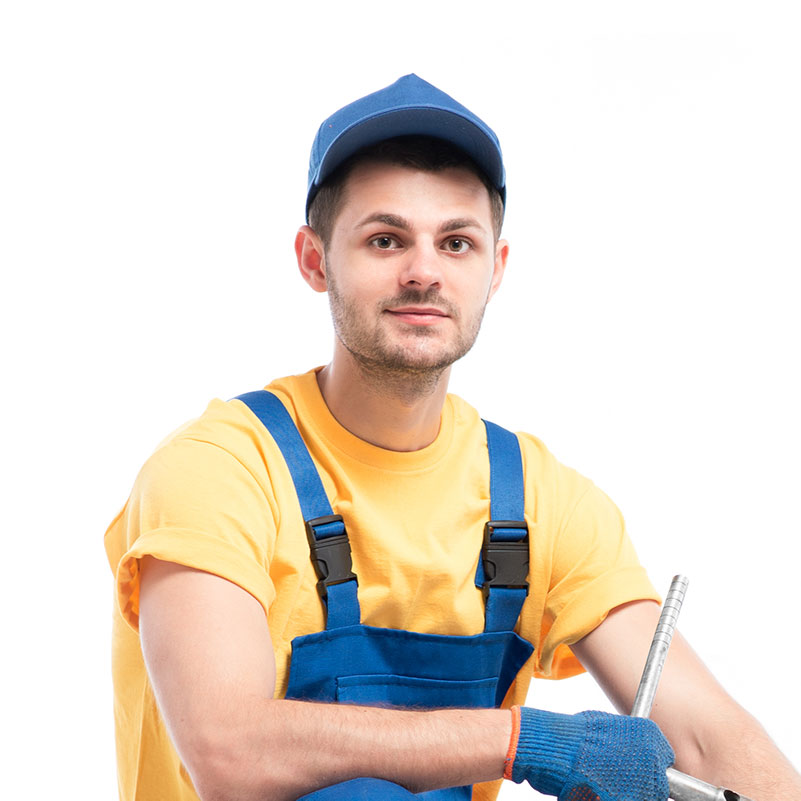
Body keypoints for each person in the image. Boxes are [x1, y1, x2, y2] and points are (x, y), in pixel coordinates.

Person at [105, 74, 801, 801]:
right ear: (315, 259)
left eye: (457, 242)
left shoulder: (538, 501)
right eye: (384, 239)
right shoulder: (218, 471)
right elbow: (230, 748)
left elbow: (705, 737)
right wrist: (521, 739)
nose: (423, 272)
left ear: (494, 268)